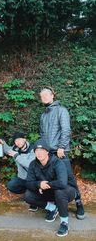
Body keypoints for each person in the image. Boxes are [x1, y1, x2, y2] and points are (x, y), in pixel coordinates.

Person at [39, 86, 85, 220]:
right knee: (53, 180)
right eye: (42, 96)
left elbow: (66, 130)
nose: (44, 97)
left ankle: (78, 203)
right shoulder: (43, 115)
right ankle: (57, 205)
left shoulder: (61, 110)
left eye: (46, 95)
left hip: (60, 152)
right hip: (49, 153)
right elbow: (42, 135)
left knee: (69, 179)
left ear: (53, 95)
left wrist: (61, 147)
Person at [25, 139, 76, 237]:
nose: (39, 153)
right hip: (49, 192)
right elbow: (28, 183)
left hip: (67, 192)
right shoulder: (33, 164)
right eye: (36, 151)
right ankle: (52, 208)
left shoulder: (57, 162)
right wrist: (39, 184)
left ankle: (64, 223)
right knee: (28, 195)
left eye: (42, 150)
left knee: (60, 192)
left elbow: (62, 183)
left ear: (47, 151)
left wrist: (46, 184)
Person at [0, 132, 37, 210]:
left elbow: (30, 164)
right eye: (15, 141)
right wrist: (2, 142)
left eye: (19, 140)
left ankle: (34, 200)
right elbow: (8, 150)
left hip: (33, 178)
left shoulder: (33, 149)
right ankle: (28, 193)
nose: (17, 142)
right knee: (11, 185)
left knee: (31, 192)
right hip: (22, 178)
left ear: (24, 139)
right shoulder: (16, 148)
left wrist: (17, 156)